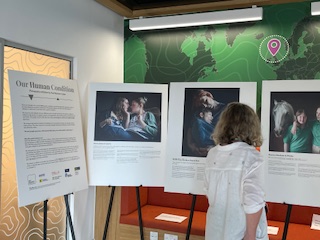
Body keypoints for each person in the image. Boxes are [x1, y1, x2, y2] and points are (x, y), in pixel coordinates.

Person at [204, 102, 268, 240]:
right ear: (251, 126)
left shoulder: (213, 154)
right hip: (240, 232)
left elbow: (209, 193)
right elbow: (253, 201)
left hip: (215, 230)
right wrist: (250, 236)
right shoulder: (252, 156)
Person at [186, 89, 225, 156]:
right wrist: (191, 145)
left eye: (204, 101)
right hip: (202, 145)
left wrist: (214, 148)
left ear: (209, 95)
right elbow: (191, 127)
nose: (204, 105)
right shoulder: (200, 112)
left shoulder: (227, 109)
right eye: (200, 105)